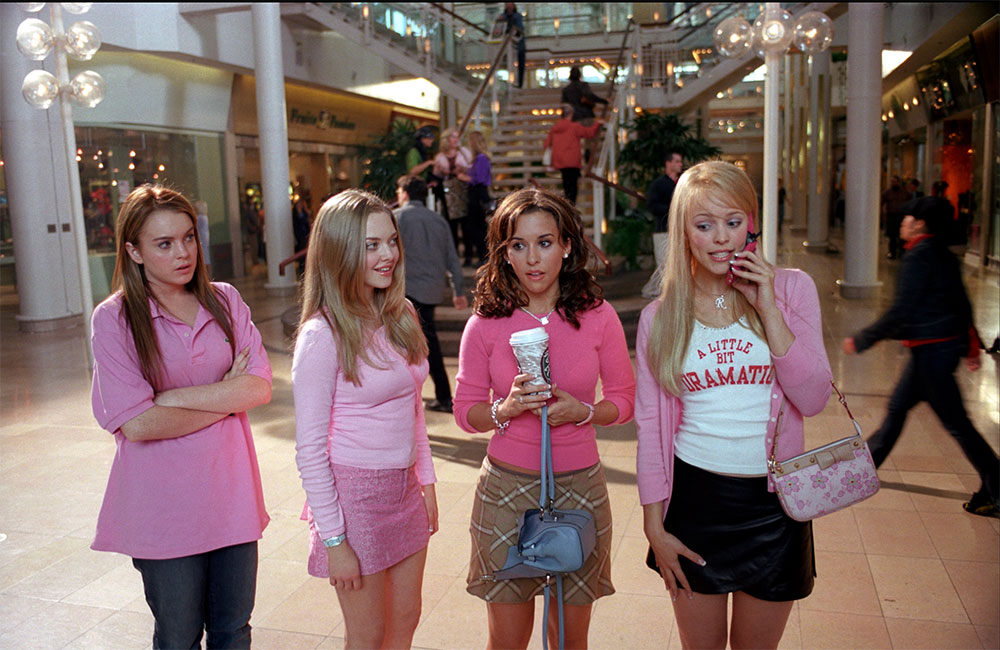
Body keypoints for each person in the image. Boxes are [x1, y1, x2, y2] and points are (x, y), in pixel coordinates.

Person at [635, 161, 833, 649]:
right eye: (704, 225)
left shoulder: (790, 290)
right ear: (684, 232)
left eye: (733, 221)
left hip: (777, 508)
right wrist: (653, 526)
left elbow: (814, 397)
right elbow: (649, 428)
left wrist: (767, 306)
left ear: (752, 222)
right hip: (696, 505)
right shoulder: (659, 317)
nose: (721, 238)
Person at [90, 185, 272, 649]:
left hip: (230, 495)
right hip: (162, 507)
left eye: (188, 237)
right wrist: (226, 396)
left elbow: (258, 387)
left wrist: (169, 398)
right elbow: (138, 424)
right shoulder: (114, 319)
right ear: (133, 251)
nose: (183, 252)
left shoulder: (225, 300)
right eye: (164, 243)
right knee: (179, 637)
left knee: (234, 631)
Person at [453, 188, 636, 649]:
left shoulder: (597, 317)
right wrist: (505, 409)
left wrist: (585, 412)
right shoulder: (486, 323)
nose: (533, 258)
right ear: (504, 253)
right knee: (507, 641)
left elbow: (624, 399)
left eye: (545, 242)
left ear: (567, 245)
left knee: (569, 641)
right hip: (506, 488)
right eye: (518, 245)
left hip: (579, 487)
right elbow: (465, 412)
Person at [292, 189, 439, 648]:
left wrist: (426, 483)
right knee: (369, 634)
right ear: (339, 251)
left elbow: (414, 407)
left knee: (406, 620)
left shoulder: (401, 313)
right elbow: (310, 452)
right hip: (355, 498)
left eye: (390, 241)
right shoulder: (321, 335)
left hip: (405, 489)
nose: (388, 255)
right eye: (371, 245)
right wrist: (335, 543)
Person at [842, 196, 999, 518]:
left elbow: (903, 310)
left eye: (908, 217)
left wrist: (863, 339)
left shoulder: (919, 257)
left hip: (933, 354)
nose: (903, 223)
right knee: (897, 410)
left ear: (921, 224)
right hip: (935, 351)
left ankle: (997, 486)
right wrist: (970, 345)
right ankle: (861, 472)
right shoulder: (942, 254)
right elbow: (961, 302)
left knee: (958, 426)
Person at [394, 174, 468, 414]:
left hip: (403, 292)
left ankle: (404, 398)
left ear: (404, 193)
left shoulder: (396, 218)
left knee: (399, 346)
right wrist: (458, 290)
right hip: (431, 291)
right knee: (429, 343)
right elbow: (452, 259)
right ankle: (444, 396)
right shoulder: (439, 221)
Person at [641, 151, 684, 299]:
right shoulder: (658, 184)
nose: (680, 164)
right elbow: (652, 206)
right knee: (663, 264)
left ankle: (666, 293)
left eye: (680, 162)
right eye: (677, 161)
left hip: (679, 230)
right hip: (662, 230)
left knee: (674, 264)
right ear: (668, 163)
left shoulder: (682, 183)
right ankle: (664, 294)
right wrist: (673, 209)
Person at [543, 104, 603, 205]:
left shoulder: (555, 128)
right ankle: (571, 207)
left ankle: (568, 205)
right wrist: (598, 124)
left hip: (560, 161)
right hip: (572, 160)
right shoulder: (574, 127)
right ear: (571, 114)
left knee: (566, 185)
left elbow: (546, 144)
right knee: (573, 187)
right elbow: (589, 133)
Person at [433, 127, 473, 251]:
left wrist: (462, 169)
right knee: (451, 224)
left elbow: (472, 169)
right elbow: (436, 175)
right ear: (447, 139)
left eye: (457, 137)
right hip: (448, 191)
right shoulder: (440, 156)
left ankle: (468, 253)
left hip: (463, 189)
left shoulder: (464, 152)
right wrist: (443, 171)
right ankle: (454, 252)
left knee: (466, 222)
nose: (456, 140)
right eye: (453, 137)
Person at [465, 130, 492, 265]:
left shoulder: (481, 158)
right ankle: (483, 255)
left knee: (476, 227)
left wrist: (465, 177)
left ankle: (484, 255)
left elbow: (479, 179)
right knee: (477, 226)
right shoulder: (479, 158)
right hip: (476, 194)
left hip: (478, 195)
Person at [406, 126, 443, 211]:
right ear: (423, 139)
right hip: (417, 189)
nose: (432, 141)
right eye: (430, 138)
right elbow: (413, 171)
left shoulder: (423, 152)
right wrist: (429, 163)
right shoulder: (414, 152)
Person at [882, 175, 910, 259]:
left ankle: (902, 252)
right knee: (892, 236)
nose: (893, 183)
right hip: (891, 217)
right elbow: (881, 203)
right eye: (892, 182)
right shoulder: (887, 193)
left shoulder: (905, 192)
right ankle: (892, 252)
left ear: (898, 182)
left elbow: (909, 203)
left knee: (902, 236)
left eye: (895, 182)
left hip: (901, 216)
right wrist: (883, 215)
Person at [502, 3, 526, 88]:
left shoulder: (517, 16)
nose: (509, 7)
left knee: (521, 64)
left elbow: (519, 28)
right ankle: (510, 83)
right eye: (507, 5)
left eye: (510, 5)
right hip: (508, 45)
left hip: (519, 44)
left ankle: (519, 83)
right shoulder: (503, 16)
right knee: (508, 63)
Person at [194, 199, 211, 270]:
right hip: (204, 239)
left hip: (202, 240)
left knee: (204, 258)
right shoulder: (204, 217)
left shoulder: (200, 218)